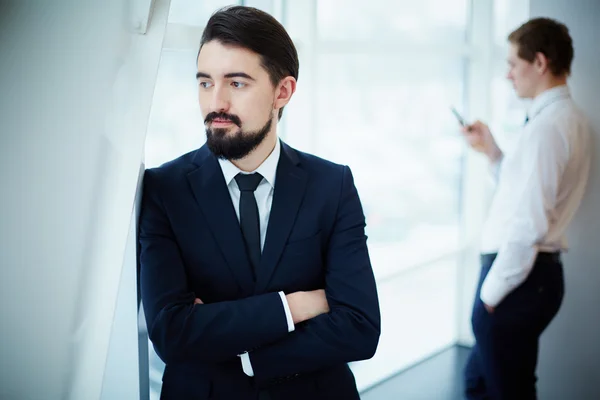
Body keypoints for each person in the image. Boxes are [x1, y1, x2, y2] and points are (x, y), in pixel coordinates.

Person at [138, 6, 380, 400]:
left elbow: (360, 327)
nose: (215, 103)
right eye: (204, 83)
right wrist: (296, 307)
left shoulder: (332, 184)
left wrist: (240, 350)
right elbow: (172, 334)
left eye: (236, 84)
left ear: (281, 92)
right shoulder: (163, 190)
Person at [462, 17, 592, 399]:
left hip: (518, 277)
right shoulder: (570, 120)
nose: (508, 75)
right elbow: (526, 194)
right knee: (487, 383)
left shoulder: (548, 128)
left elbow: (529, 223)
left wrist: (491, 293)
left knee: (501, 389)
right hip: (531, 277)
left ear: (539, 62)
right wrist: (494, 153)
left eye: (513, 65)